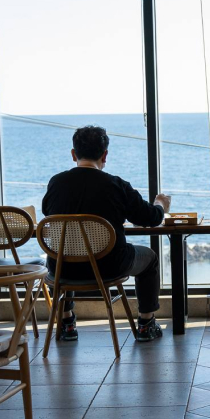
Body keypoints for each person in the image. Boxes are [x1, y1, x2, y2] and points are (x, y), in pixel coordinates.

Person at [41, 126, 171, 342]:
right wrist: (160, 204)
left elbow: (47, 212)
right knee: (150, 258)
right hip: (109, 266)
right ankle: (146, 324)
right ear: (105, 155)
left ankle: (67, 323)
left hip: (63, 268)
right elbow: (151, 218)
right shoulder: (116, 185)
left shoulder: (56, 183)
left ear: (73, 154)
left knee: (64, 250)